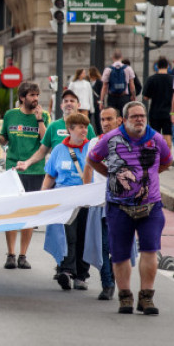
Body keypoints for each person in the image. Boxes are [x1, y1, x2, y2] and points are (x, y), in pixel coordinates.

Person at [87, 102, 172, 315]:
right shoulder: (110, 138)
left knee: (150, 250)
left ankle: (146, 297)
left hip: (150, 205)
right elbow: (93, 159)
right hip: (118, 206)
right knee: (120, 253)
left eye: (142, 116)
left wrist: (149, 175)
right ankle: (125, 296)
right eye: (134, 116)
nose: (139, 119)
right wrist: (111, 175)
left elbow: (166, 162)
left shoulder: (156, 139)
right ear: (124, 120)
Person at [0, 81, 49, 270]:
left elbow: (46, 142)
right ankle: (11, 254)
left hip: (35, 170)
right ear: (22, 97)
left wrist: (39, 120)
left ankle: (23, 255)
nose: (36, 99)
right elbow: (5, 139)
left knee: (29, 214)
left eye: (37, 95)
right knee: (12, 212)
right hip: (13, 169)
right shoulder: (10, 115)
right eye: (32, 95)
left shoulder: (44, 115)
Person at [42, 113, 92, 291]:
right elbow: (50, 175)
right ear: (70, 129)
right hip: (64, 200)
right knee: (67, 236)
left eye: (85, 127)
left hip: (86, 199)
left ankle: (81, 275)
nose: (84, 130)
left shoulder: (91, 149)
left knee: (84, 237)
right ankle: (67, 271)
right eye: (80, 127)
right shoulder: (58, 150)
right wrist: (42, 197)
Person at [81, 107, 122, 301]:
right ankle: (107, 283)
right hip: (99, 201)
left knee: (118, 245)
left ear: (119, 120)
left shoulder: (126, 143)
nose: (105, 122)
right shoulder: (94, 143)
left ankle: (114, 273)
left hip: (122, 203)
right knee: (103, 244)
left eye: (109, 119)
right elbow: (88, 170)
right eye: (103, 119)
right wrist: (85, 194)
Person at [142, 55, 174, 149]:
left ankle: (156, 156)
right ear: (167, 66)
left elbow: (146, 97)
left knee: (155, 136)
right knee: (167, 134)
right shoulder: (172, 79)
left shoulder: (151, 79)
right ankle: (167, 158)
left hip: (154, 112)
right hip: (168, 113)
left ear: (157, 66)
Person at [100, 49, 137, 113]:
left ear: (113, 58)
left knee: (113, 116)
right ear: (121, 57)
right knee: (124, 116)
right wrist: (133, 96)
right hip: (124, 97)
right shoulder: (128, 68)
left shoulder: (108, 69)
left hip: (112, 97)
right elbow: (132, 84)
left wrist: (101, 101)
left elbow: (104, 86)